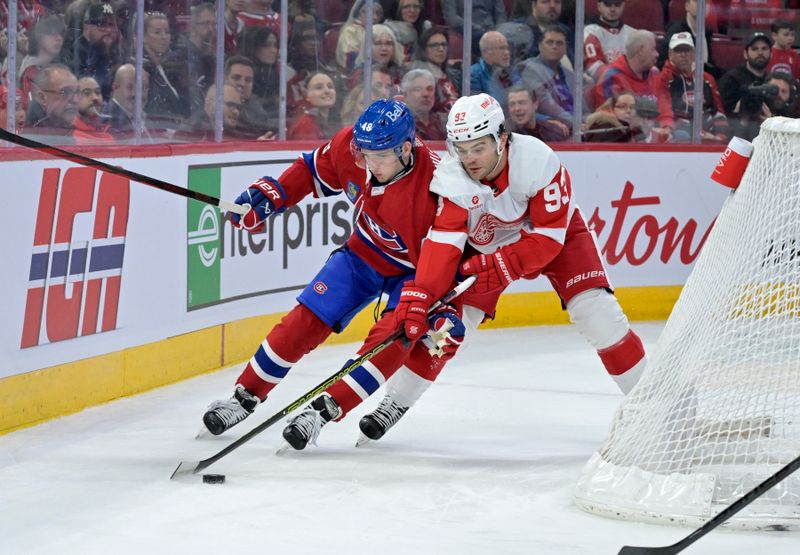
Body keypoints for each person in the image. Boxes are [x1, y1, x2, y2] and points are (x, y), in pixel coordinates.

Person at [356, 93, 647, 442]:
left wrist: (504, 263)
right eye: (461, 149)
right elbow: (444, 242)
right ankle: (396, 402)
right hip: (487, 249)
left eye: (478, 147)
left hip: (554, 238)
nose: (469, 159)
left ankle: (652, 406)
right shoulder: (451, 176)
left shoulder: (537, 160)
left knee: (596, 314)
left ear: (502, 138)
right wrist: (423, 291)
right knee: (447, 329)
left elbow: (549, 240)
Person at [200, 99, 452, 448]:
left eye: (380, 157)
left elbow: (451, 255)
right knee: (304, 319)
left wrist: (434, 297)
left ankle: (323, 410)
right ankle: (244, 397)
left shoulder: (441, 185)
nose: (368, 164)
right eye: (364, 153)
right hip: (364, 253)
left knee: (392, 339)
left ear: (406, 148)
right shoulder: (352, 147)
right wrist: (274, 195)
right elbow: (311, 170)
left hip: (417, 273)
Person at [592, 30, 674, 138]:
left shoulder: (654, 73)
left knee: (681, 135)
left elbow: (664, 108)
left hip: (653, 134)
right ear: (640, 50)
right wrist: (647, 130)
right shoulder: (611, 78)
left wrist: (666, 127)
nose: (657, 54)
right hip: (623, 139)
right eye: (653, 49)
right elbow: (608, 119)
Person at [657, 32, 727, 143]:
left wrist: (720, 137)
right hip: (679, 133)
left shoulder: (707, 79)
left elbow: (718, 112)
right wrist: (700, 134)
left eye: (687, 50)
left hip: (708, 130)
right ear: (670, 54)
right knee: (681, 134)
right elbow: (665, 112)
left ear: (694, 53)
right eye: (678, 50)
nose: (683, 54)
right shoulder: (664, 78)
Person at [518, 25, 576, 134]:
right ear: (540, 46)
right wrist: (577, 124)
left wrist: (589, 120)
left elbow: (583, 106)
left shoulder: (570, 75)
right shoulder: (529, 68)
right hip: (550, 128)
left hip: (576, 127)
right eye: (550, 42)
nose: (554, 46)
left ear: (565, 49)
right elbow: (546, 105)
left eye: (559, 43)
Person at [718, 32, 772, 141]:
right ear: (745, 54)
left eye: (764, 48)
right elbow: (723, 114)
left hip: (767, 137)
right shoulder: (731, 79)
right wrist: (738, 113)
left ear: (771, 53)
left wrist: (771, 120)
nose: (760, 52)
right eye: (754, 49)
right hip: (737, 136)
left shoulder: (773, 81)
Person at [67, 2, 121, 98]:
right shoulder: (73, 56)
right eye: (101, 24)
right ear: (87, 27)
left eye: (111, 24)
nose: (108, 30)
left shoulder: (119, 54)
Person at [173, 2, 216, 117]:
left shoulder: (213, 57)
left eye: (214, 24)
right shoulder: (180, 56)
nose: (211, 29)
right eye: (206, 24)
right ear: (192, 25)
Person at [410, 27, 460, 116]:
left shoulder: (454, 75)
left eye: (444, 45)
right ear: (424, 50)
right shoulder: (418, 77)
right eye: (434, 45)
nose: (441, 49)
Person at [583, 0, 637, 82]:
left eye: (617, 4)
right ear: (599, 6)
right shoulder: (590, 31)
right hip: (601, 86)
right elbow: (593, 66)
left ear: (623, 6)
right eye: (607, 4)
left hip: (630, 85)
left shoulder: (634, 33)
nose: (612, 9)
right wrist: (618, 79)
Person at [18, 15, 66, 104]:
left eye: (61, 33)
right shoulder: (31, 72)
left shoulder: (57, 65)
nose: (59, 38)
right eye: (52, 33)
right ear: (38, 37)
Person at [224, 55, 272, 138]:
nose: (242, 84)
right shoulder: (211, 109)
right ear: (224, 80)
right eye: (236, 78)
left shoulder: (258, 114)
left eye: (248, 80)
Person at [26, 63, 78, 140]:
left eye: (77, 91)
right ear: (42, 98)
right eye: (65, 92)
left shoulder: (71, 130)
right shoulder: (29, 138)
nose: (75, 100)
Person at [103, 63, 151, 139]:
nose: (136, 94)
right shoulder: (109, 119)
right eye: (129, 87)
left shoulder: (142, 117)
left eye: (143, 88)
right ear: (115, 88)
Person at [470, 31, 517, 108]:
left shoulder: (512, 72)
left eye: (507, 48)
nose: (506, 53)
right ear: (485, 52)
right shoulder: (473, 74)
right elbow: (480, 108)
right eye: (501, 48)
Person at [287, 71, 337, 140]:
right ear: (306, 94)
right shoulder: (306, 125)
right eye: (319, 87)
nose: (327, 91)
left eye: (330, 86)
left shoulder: (331, 121)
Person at [400, 68, 446, 140]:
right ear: (405, 95)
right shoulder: (399, 125)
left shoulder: (445, 123)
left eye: (430, 89)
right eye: (418, 89)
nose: (426, 94)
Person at [383, 0, 431, 67]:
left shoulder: (426, 27)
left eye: (416, 6)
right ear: (398, 9)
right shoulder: (389, 28)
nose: (412, 10)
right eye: (406, 7)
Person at [72, 75, 114, 144]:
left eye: (98, 92)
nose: (95, 98)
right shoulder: (69, 134)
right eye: (87, 93)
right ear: (75, 98)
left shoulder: (111, 132)